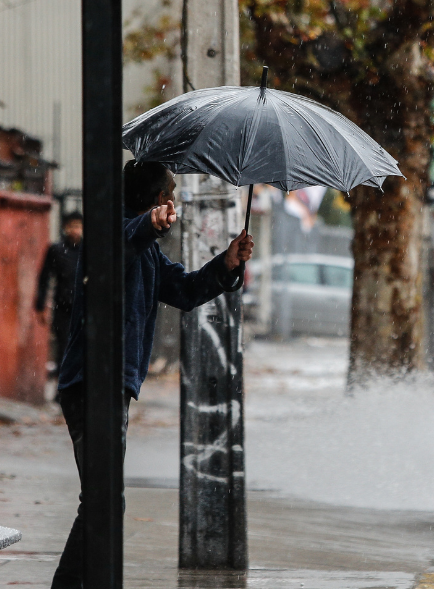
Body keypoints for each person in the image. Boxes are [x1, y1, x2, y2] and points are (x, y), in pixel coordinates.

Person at [50, 161, 253, 589]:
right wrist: (148, 226)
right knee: (104, 501)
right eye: (171, 193)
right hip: (91, 383)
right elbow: (119, 249)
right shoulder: (111, 234)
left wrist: (227, 264)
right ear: (157, 199)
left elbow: (184, 289)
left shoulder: (147, 251)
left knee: (103, 501)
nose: (174, 200)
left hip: (111, 386)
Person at [35, 211, 83, 375]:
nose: (74, 230)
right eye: (71, 226)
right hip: (62, 306)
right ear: (64, 228)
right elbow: (44, 278)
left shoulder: (89, 251)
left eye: (77, 226)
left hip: (84, 307)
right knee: (64, 346)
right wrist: (41, 305)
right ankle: (63, 388)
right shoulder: (56, 250)